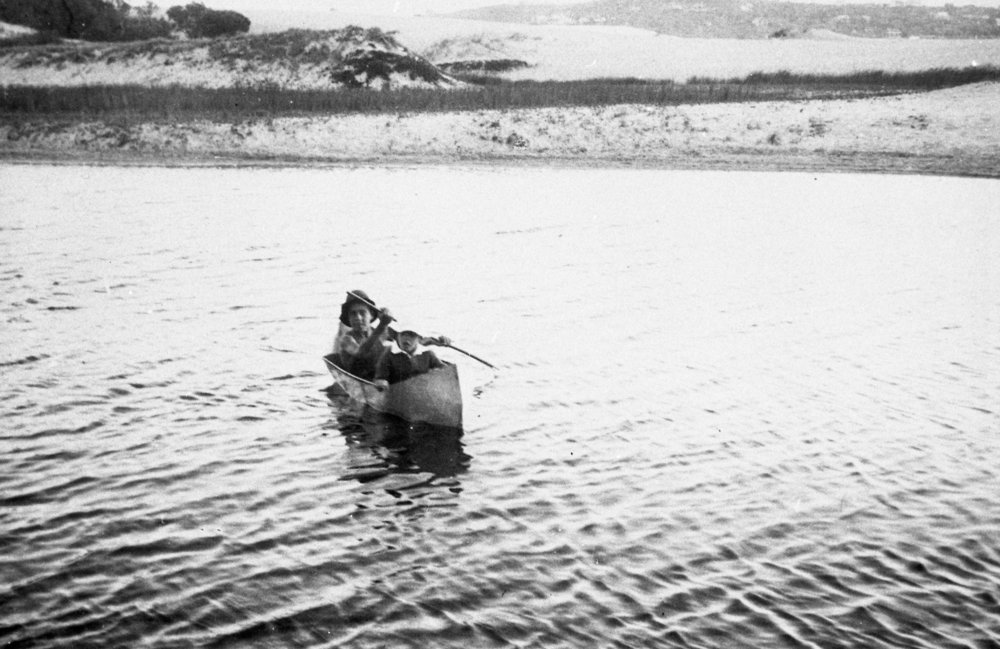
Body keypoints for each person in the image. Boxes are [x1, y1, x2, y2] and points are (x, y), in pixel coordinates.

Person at [333, 290, 394, 380]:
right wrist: (382, 325)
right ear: (348, 318)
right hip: (359, 377)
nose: (358, 318)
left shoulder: (380, 332)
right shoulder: (346, 340)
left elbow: (398, 343)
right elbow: (361, 353)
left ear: (371, 315)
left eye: (362, 313)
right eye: (353, 314)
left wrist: (387, 315)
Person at [373, 329, 444, 389]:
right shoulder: (389, 353)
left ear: (419, 338)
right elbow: (380, 377)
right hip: (397, 396)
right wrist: (381, 382)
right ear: (397, 336)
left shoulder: (428, 353)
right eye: (403, 334)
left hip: (422, 394)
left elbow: (444, 371)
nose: (406, 339)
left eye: (411, 335)